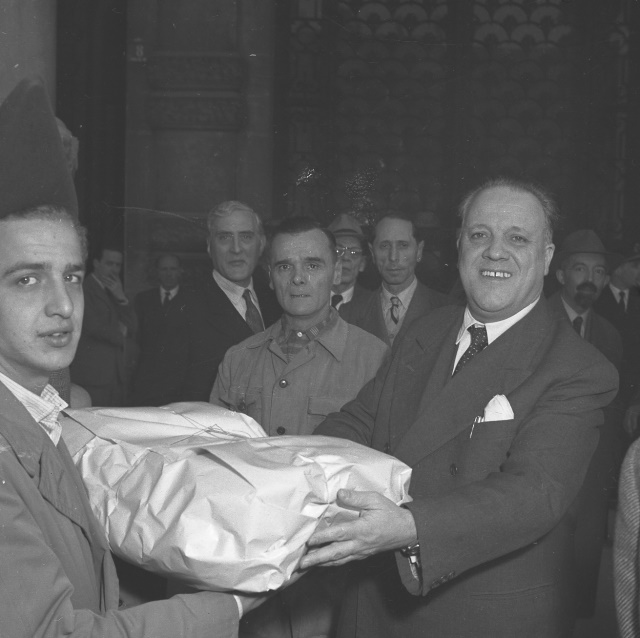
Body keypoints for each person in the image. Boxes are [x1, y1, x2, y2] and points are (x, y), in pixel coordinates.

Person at [301, 176, 619, 638]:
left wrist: (410, 526)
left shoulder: (577, 366)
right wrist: (285, 463)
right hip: (371, 602)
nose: (495, 252)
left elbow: (534, 493)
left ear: (548, 257)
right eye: (479, 235)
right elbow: (360, 420)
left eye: (517, 238)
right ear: (459, 246)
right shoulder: (424, 330)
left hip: (478, 615)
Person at [0, 77, 253, 638]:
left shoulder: (39, 413)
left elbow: (86, 583)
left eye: (72, 276)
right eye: (27, 279)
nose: (63, 305)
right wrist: (233, 604)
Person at [211, 216, 388, 638]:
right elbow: (211, 466)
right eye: (284, 266)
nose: (298, 278)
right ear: (269, 277)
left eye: (312, 265)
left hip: (335, 576)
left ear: (336, 273)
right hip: (251, 571)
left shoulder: (376, 359)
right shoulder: (239, 358)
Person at [548, 229, 623, 617]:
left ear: (606, 281)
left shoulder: (611, 335)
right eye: (580, 269)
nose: (589, 279)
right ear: (561, 274)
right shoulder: (537, 322)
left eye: (598, 272)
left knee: (582, 564)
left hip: (592, 473)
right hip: (544, 465)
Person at [197, 200, 281, 397]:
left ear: (261, 244)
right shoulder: (183, 309)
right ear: (209, 246)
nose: (236, 248)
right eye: (224, 237)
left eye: (246, 237)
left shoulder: (277, 299)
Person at [345, 212, 449, 348]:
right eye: (384, 246)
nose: (393, 257)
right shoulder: (349, 313)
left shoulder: (447, 310)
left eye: (403, 245)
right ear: (372, 252)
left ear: (419, 251)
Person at [130, 253, 208, 405]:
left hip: (180, 380)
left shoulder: (193, 300)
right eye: (164, 269)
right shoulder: (143, 299)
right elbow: (137, 336)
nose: (169, 273)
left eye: (173, 269)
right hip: (149, 378)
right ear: (157, 272)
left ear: (180, 271)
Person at [70, 244, 136, 406]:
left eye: (117, 265)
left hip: (115, 374)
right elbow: (95, 328)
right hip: (93, 375)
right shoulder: (84, 289)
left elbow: (133, 327)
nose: (114, 269)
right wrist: (122, 334)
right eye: (109, 263)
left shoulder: (115, 290)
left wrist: (121, 297)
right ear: (96, 263)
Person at [594, 241, 640, 406]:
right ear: (618, 268)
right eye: (636, 266)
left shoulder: (637, 301)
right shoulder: (595, 299)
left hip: (633, 392)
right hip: (603, 390)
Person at [326, 212, 375, 323]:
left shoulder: (372, 303)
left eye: (354, 252)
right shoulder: (310, 299)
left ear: (362, 263)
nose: (346, 258)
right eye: (338, 251)